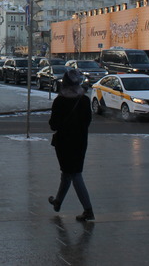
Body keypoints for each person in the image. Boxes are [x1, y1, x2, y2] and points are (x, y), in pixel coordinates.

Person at [48, 68, 94, 222]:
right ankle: (58, 201)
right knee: (67, 173)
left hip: (64, 143)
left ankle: (88, 210)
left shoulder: (60, 101)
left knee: (74, 174)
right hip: (80, 142)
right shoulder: (84, 100)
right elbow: (87, 122)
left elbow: (53, 125)